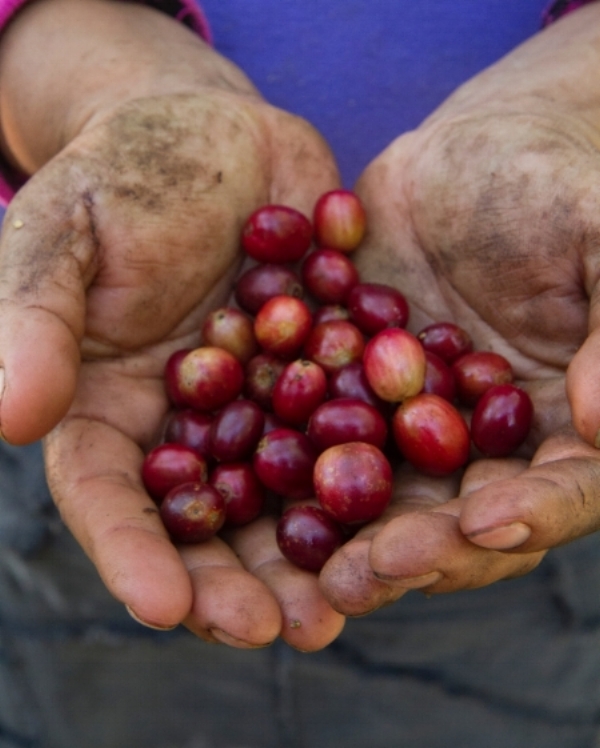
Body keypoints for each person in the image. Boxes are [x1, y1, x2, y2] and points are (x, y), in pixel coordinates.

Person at [1, 1, 600, 746]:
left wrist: (574, 97)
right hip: (102, 381)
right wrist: (97, 76)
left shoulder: (349, 371)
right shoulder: (292, 378)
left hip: (533, 546)